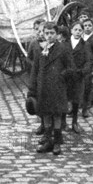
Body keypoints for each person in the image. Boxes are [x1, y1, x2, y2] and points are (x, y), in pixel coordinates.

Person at [27, 22, 75, 155]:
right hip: (43, 86)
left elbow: (71, 68)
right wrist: (32, 89)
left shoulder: (63, 49)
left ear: (57, 34)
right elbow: (35, 70)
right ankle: (48, 140)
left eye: (52, 33)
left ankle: (57, 142)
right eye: (46, 33)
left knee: (57, 114)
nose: (49, 36)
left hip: (58, 87)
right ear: (43, 34)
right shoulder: (40, 49)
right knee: (46, 113)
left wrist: (61, 76)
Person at [66, 21, 92, 134]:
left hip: (78, 76)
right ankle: (62, 122)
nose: (77, 32)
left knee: (76, 99)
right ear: (71, 31)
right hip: (66, 76)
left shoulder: (85, 45)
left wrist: (83, 71)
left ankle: (74, 122)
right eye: (75, 29)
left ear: (82, 32)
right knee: (64, 98)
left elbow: (89, 61)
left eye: (80, 30)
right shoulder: (64, 44)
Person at [27, 19, 46, 135]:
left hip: (49, 76)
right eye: (38, 31)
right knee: (38, 100)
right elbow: (28, 58)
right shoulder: (34, 43)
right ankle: (43, 123)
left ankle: (53, 126)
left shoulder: (51, 44)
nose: (40, 33)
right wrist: (33, 66)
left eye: (42, 31)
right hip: (37, 76)